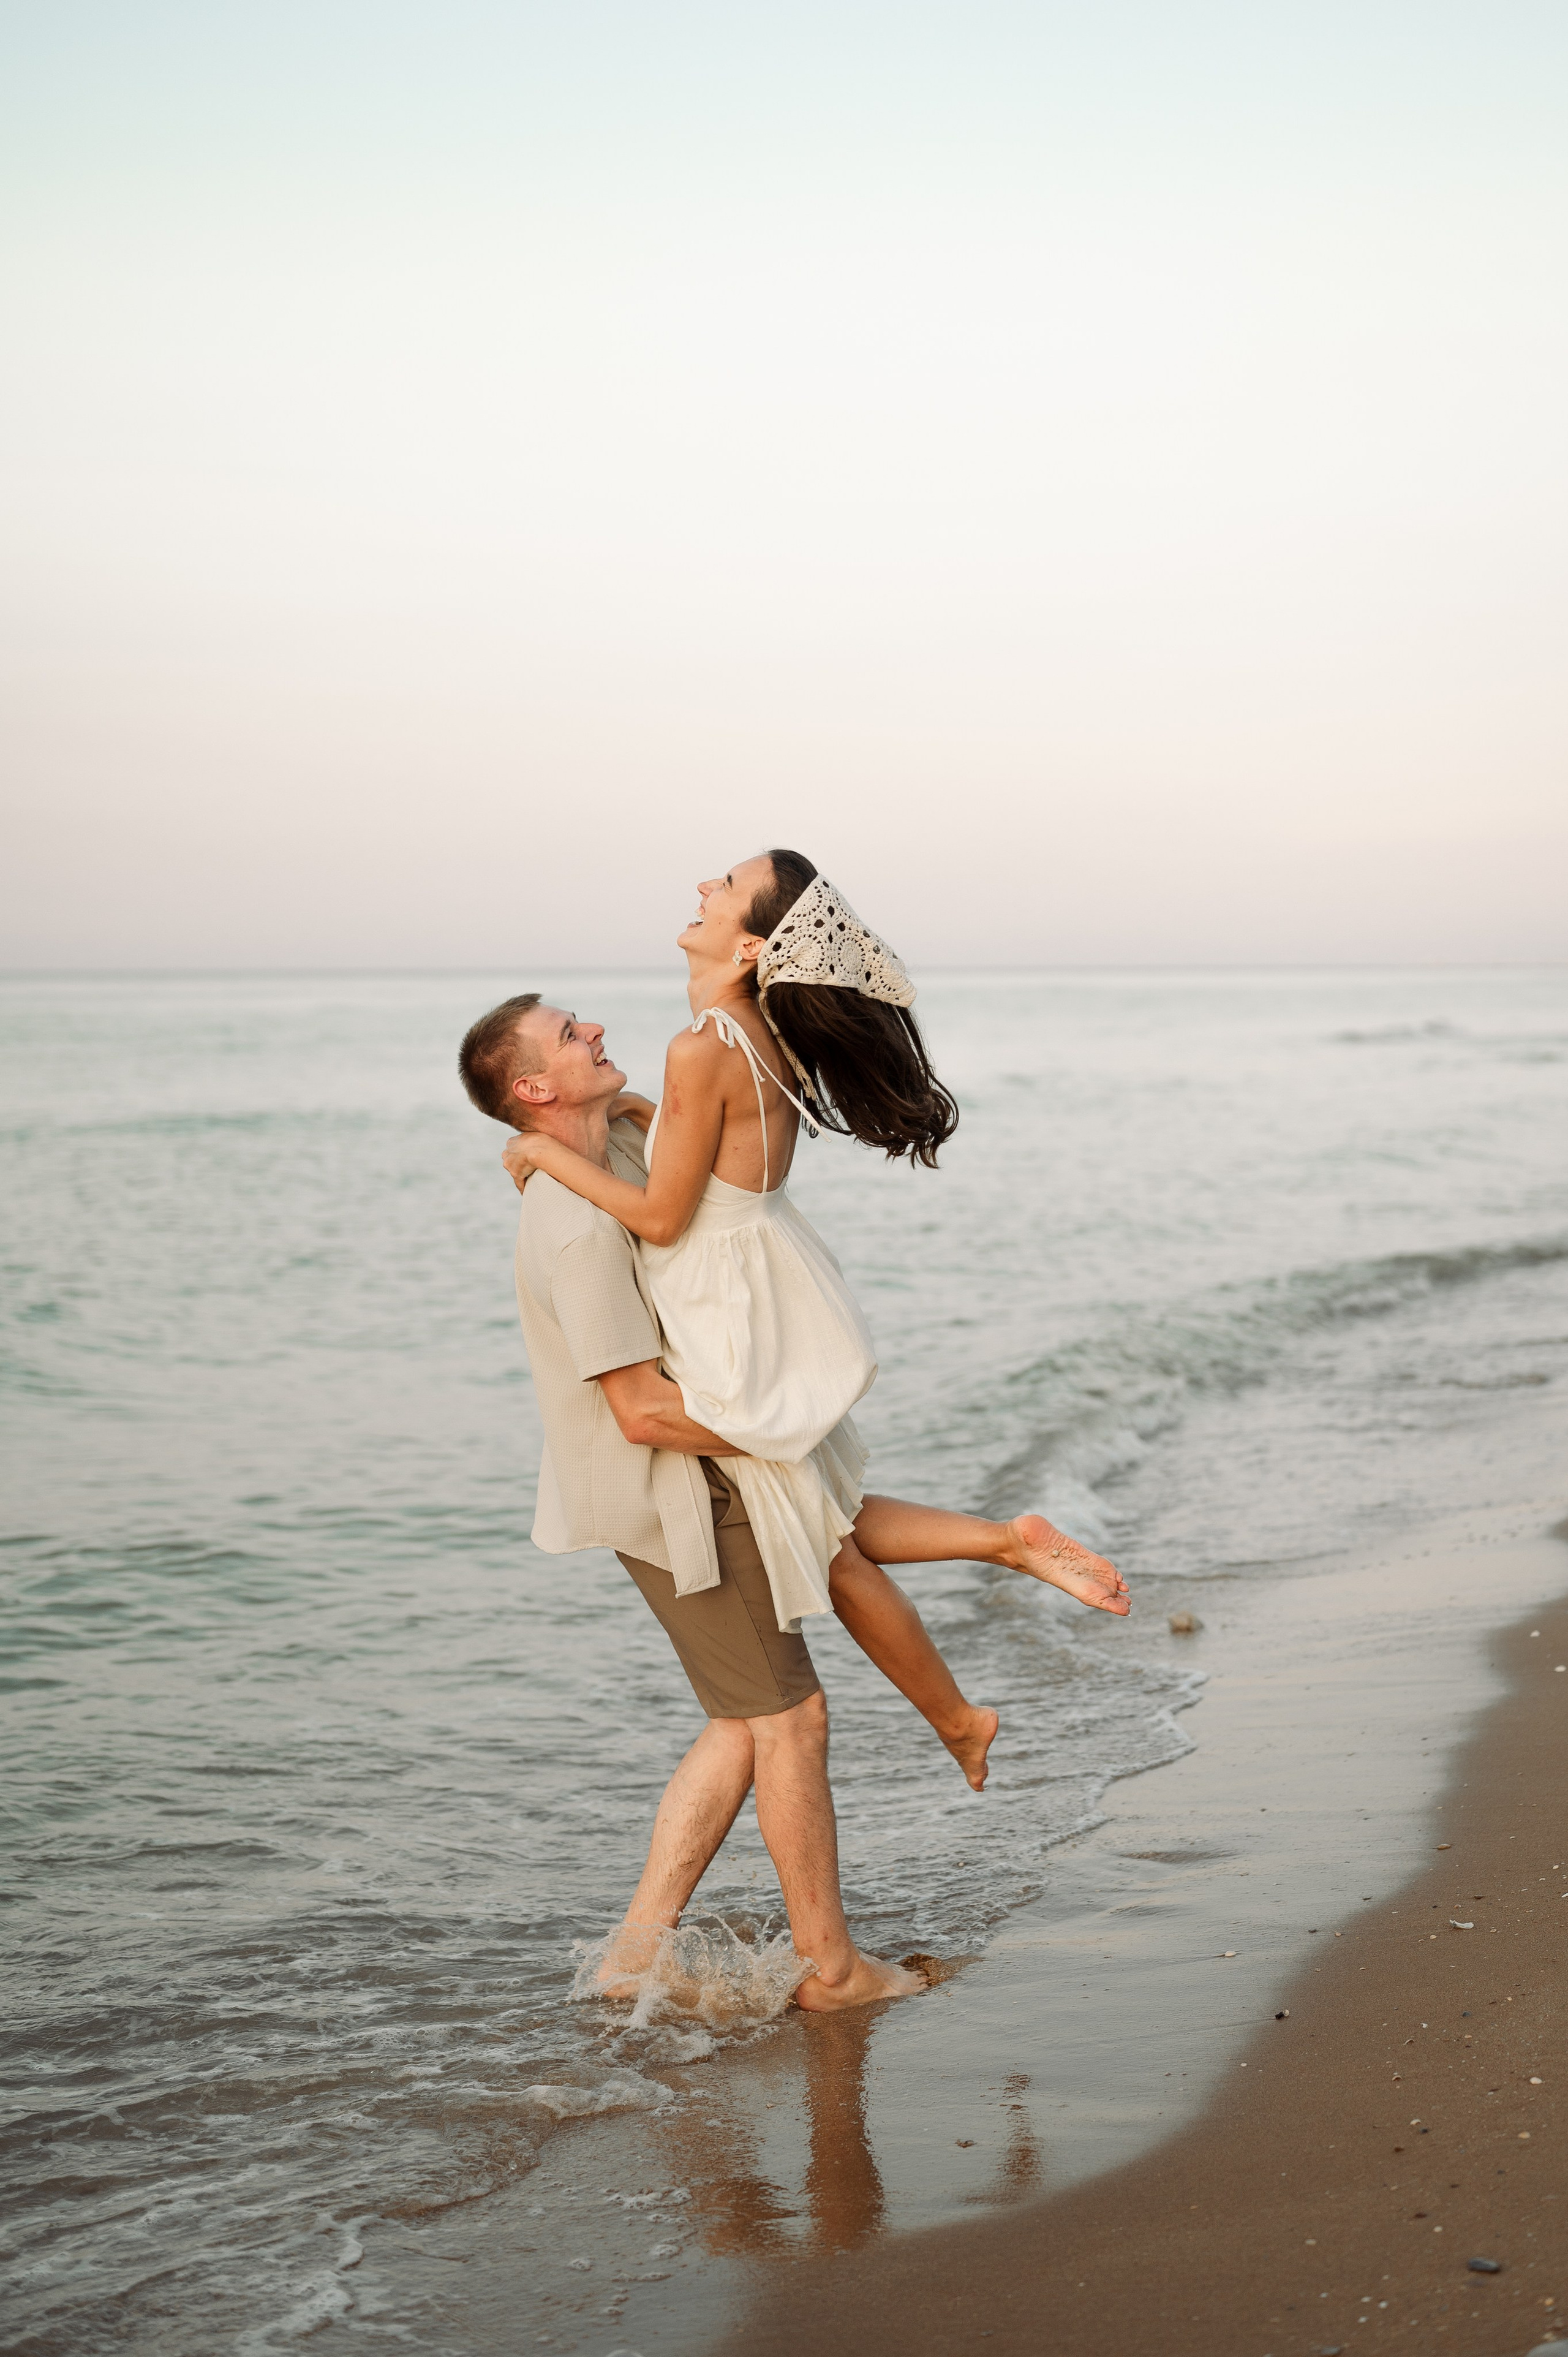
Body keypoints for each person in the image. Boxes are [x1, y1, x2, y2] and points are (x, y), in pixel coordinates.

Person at [497, 850, 1128, 1652]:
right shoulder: (759, 1028)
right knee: (820, 1505)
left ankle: (996, 1582)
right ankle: (1004, 1550)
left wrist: (548, 1156)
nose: (704, 886)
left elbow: (660, 1220)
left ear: (752, 946)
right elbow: (730, 1135)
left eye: (727, 886)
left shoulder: (699, 1046)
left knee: (817, 1519)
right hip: (766, 1272)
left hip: (720, 1298)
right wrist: (649, 1110)